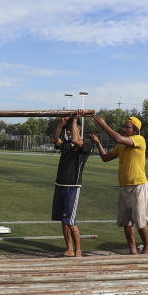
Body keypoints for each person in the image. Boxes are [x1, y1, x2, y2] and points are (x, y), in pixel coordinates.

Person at [88, 115, 148, 254]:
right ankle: (132, 251)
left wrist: (103, 124)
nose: (123, 128)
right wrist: (98, 143)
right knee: (126, 224)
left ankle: (147, 249)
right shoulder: (121, 145)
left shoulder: (139, 139)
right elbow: (105, 158)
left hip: (138, 186)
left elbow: (117, 137)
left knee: (141, 222)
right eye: (124, 126)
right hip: (124, 187)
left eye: (127, 127)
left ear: (135, 131)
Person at [50, 110, 90, 257]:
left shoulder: (85, 144)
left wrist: (74, 120)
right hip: (60, 185)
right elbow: (54, 139)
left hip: (73, 187)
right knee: (63, 220)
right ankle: (69, 249)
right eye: (67, 130)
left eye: (71, 129)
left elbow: (76, 140)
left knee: (71, 220)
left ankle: (78, 251)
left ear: (78, 129)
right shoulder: (66, 144)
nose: (68, 132)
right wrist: (61, 123)